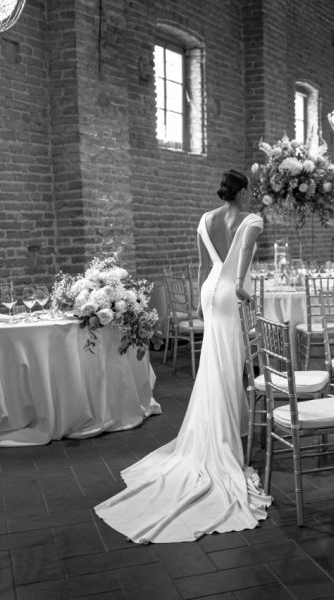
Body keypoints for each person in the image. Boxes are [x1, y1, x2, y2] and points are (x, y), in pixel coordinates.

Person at [95, 169, 271, 543]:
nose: (253, 195)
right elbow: (242, 259)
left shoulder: (205, 220)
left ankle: (226, 428)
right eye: (250, 189)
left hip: (209, 293)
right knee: (231, 364)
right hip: (231, 294)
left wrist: (199, 302)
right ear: (240, 191)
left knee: (215, 364)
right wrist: (240, 285)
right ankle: (228, 438)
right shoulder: (251, 219)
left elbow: (204, 267)